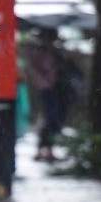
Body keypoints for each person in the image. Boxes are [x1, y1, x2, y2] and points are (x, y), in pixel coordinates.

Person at [26, 28, 66, 162]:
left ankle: (48, 148)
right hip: (45, 88)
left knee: (54, 119)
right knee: (49, 118)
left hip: (54, 88)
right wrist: (45, 82)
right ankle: (43, 148)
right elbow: (35, 71)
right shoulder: (38, 52)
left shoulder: (53, 51)